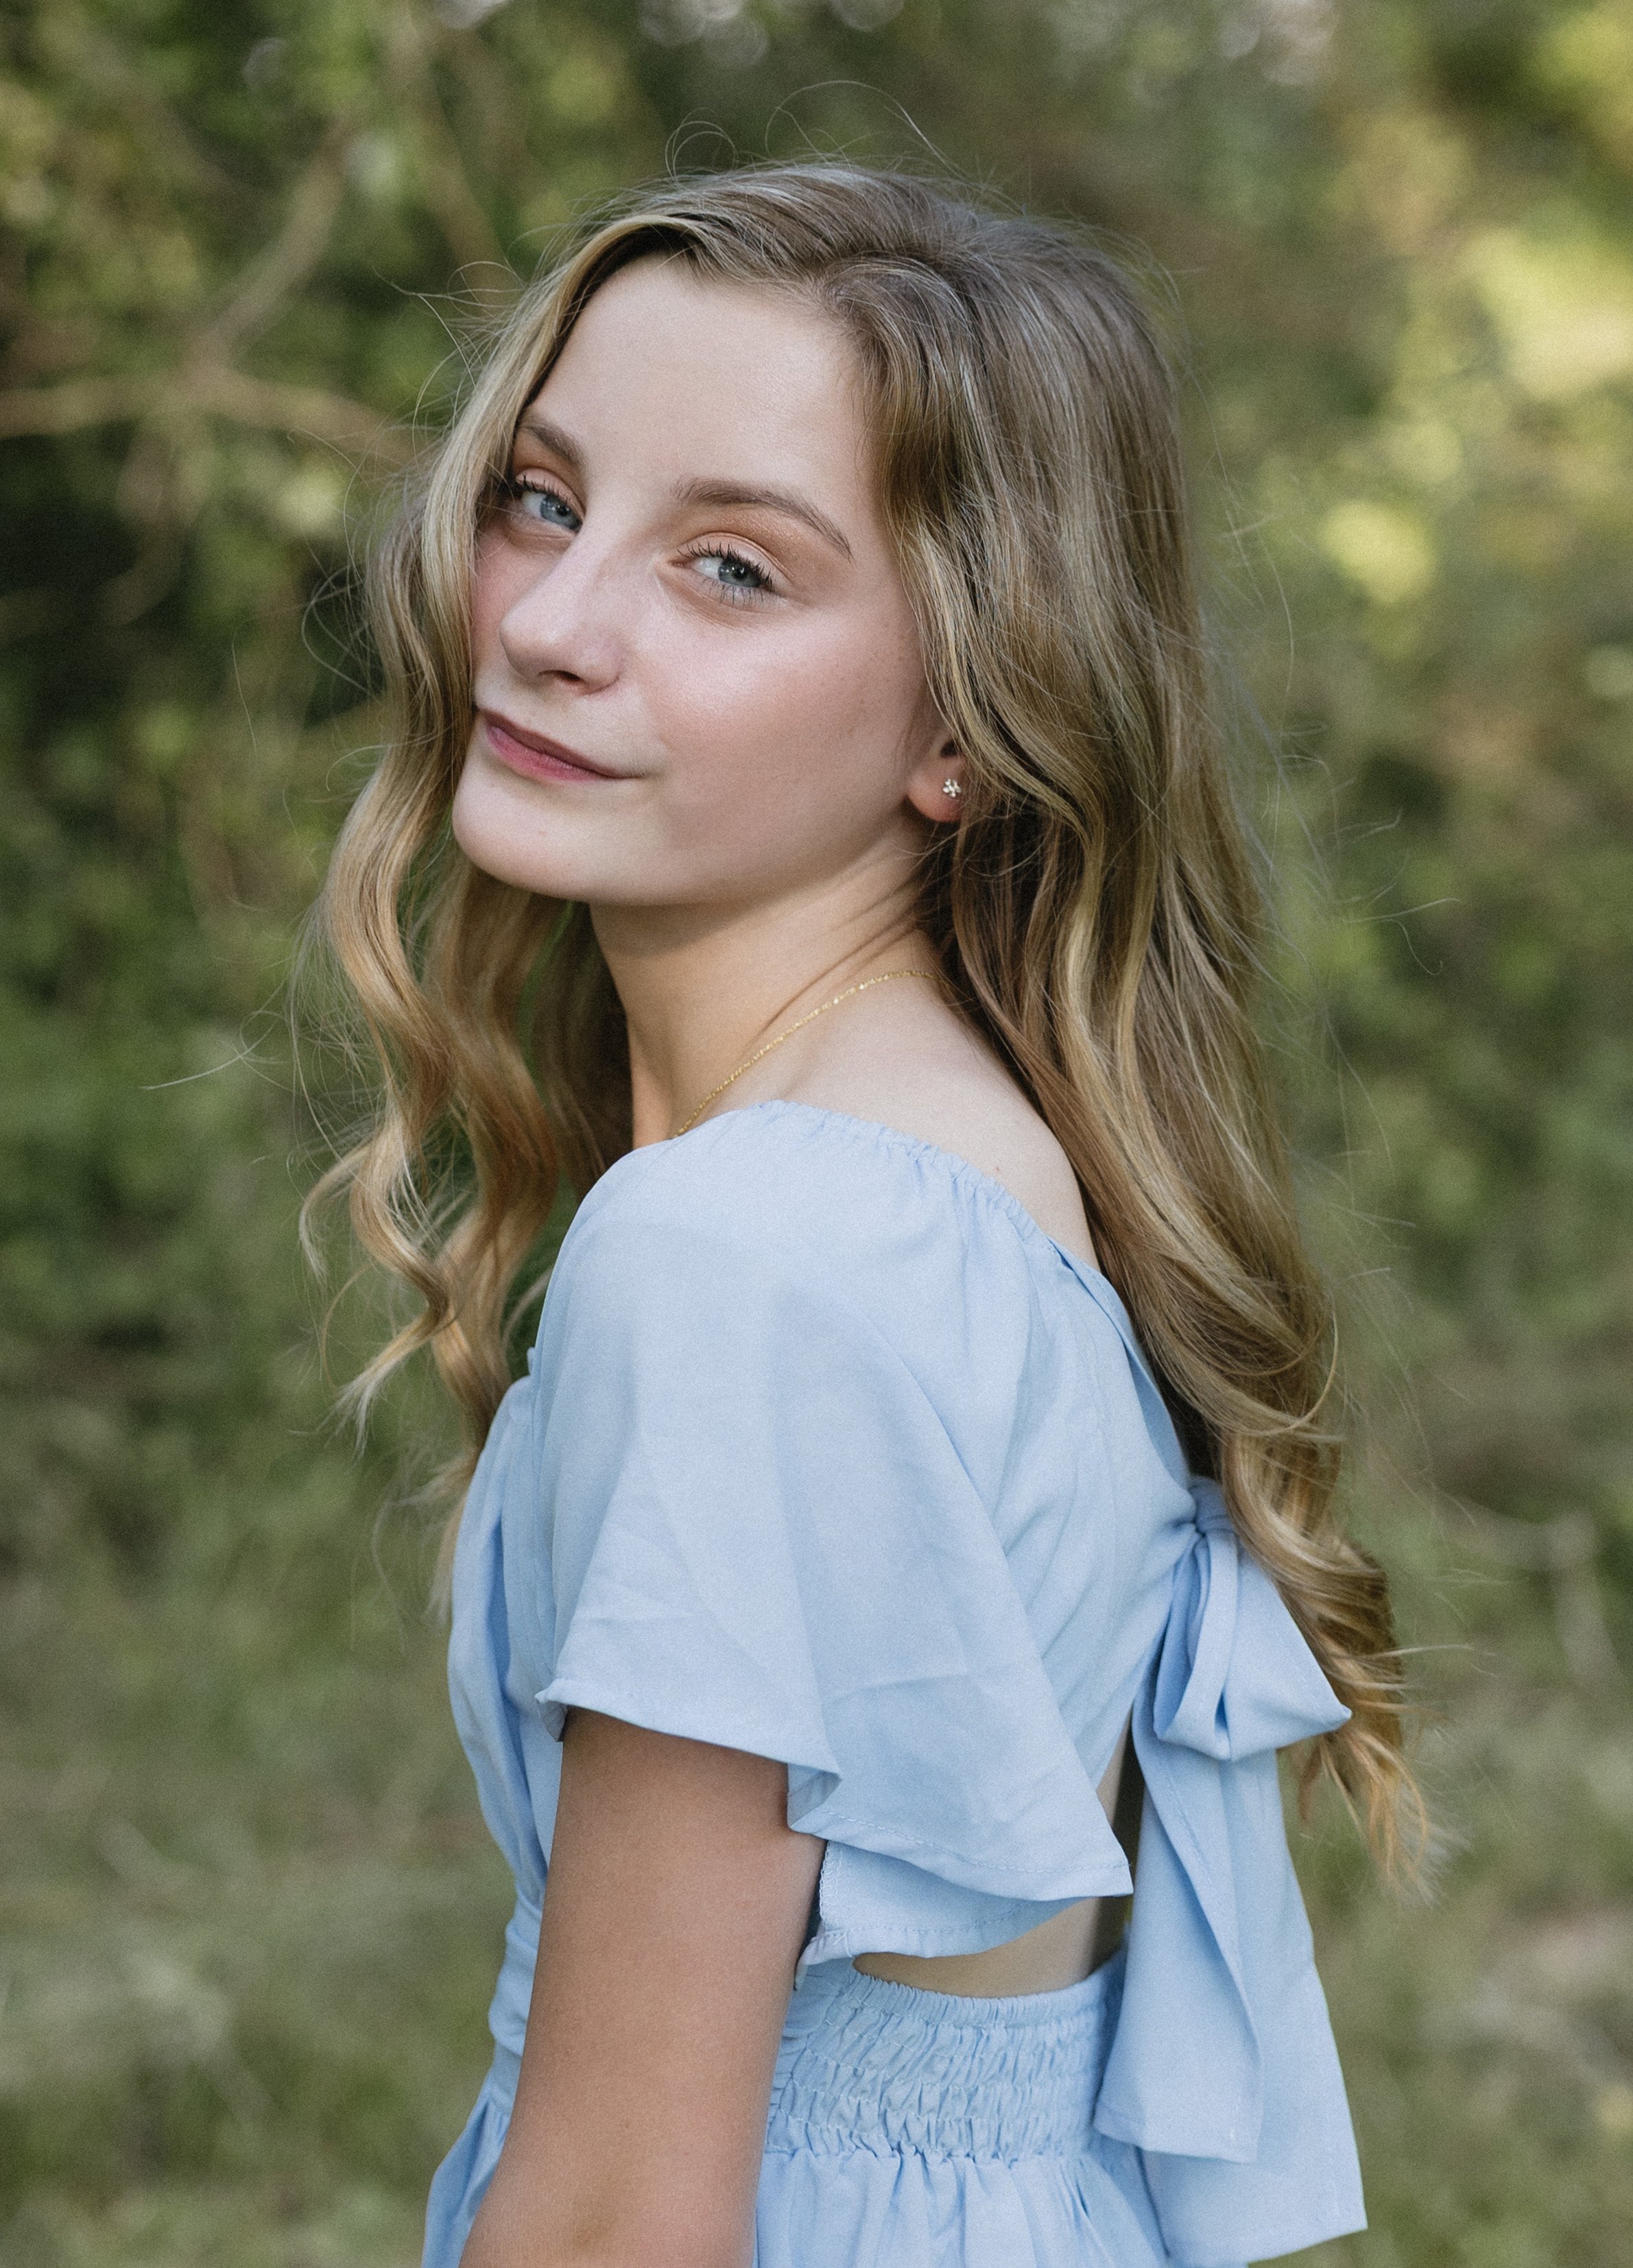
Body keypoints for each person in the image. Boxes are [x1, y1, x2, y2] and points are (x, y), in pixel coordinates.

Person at [306, 163, 1416, 2268]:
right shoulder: (968, 1171)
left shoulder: (758, 1252)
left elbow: (625, 2221)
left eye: (731, 568)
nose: (548, 619)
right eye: (544, 498)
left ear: (970, 726)